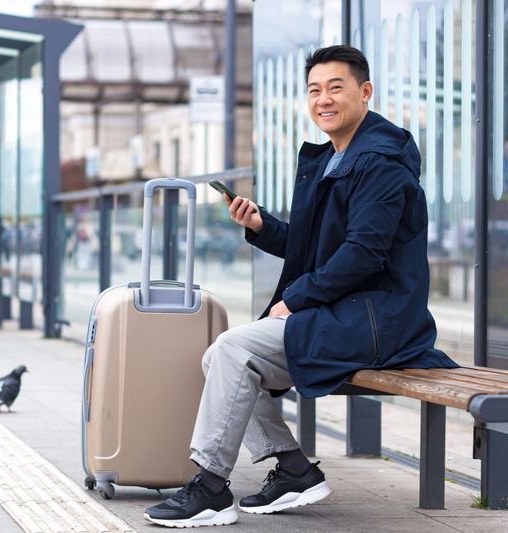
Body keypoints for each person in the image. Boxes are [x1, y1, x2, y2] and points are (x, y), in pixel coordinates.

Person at [143, 45, 458, 528]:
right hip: (351, 313)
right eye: (315, 90)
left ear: (365, 92)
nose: (323, 99)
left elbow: (363, 254)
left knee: (231, 351)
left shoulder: (380, 164)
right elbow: (317, 249)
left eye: (336, 87)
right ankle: (292, 469)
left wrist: (296, 300)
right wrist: (263, 226)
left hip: (377, 322)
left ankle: (209, 486)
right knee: (221, 356)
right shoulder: (334, 158)